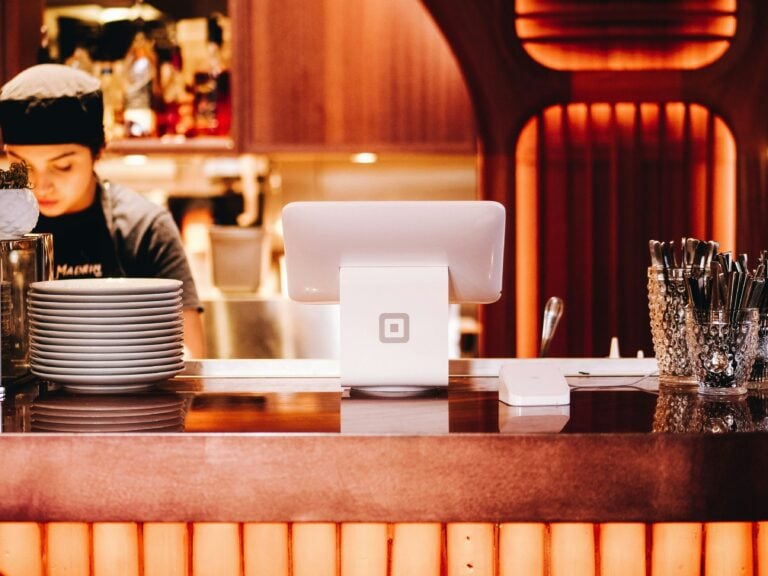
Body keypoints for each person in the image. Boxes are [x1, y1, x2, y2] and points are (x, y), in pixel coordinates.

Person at [0, 63, 206, 357]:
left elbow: (191, 357)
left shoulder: (145, 228)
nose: (40, 185)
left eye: (62, 166)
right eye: (23, 166)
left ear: (98, 151)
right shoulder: (4, 230)